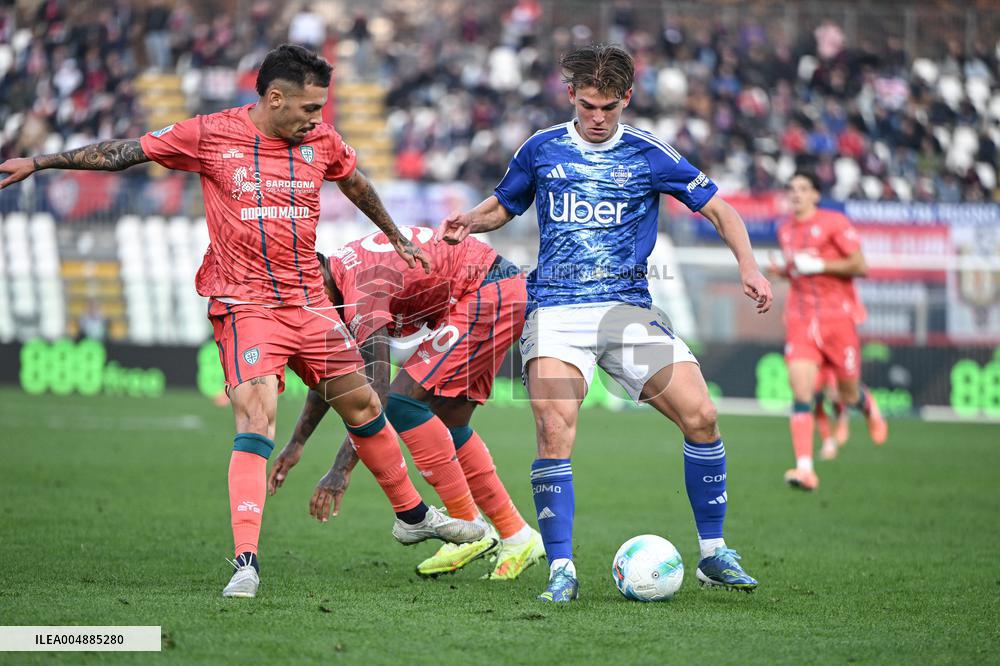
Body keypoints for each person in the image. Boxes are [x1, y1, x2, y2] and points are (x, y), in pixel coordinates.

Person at [0, 44, 486, 599]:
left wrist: (398, 236)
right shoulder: (210, 134)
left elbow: (354, 182)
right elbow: (125, 153)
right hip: (244, 303)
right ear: (273, 98)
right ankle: (246, 562)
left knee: (364, 404)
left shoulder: (321, 142)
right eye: (308, 108)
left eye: (321, 108)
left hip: (307, 300)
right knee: (257, 413)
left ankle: (412, 516)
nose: (317, 119)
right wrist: (41, 162)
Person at [436, 44, 773, 602]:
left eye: (609, 108)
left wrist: (750, 267)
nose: (597, 117)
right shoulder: (542, 149)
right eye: (589, 105)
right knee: (553, 430)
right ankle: (562, 569)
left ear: (627, 100)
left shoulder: (648, 153)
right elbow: (504, 203)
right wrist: (471, 221)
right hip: (557, 311)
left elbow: (719, 209)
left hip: (626, 311)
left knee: (703, 416)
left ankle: (714, 554)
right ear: (571, 96)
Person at [268, 228, 545, 580]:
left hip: (487, 293)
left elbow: (375, 393)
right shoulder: (339, 279)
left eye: (308, 298)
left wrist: (341, 469)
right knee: (447, 423)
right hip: (492, 290)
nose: (309, 308)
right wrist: (297, 443)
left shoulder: (359, 292)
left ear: (318, 276)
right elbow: (333, 372)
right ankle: (517, 535)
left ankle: (467, 527)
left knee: (400, 402)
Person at [771, 171, 888, 492]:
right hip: (800, 319)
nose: (796, 194)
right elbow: (798, 272)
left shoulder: (835, 223)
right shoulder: (784, 230)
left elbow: (860, 265)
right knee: (801, 392)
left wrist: (821, 265)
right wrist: (783, 272)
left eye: (803, 188)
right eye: (791, 188)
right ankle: (805, 468)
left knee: (846, 394)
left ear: (816, 195)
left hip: (838, 319)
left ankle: (867, 404)